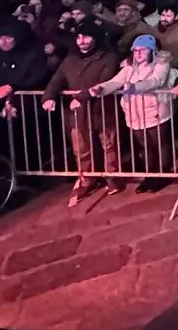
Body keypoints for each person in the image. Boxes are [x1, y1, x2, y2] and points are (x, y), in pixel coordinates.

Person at [41, 26, 123, 204]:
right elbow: (56, 80)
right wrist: (49, 97)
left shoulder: (108, 57)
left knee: (109, 146)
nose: (81, 41)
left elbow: (105, 80)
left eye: (86, 36)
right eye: (78, 37)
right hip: (77, 113)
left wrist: (81, 96)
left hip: (101, 109)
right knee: (81, 149)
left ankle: (113, 177)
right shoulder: (70, 60)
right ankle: (87, 179)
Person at [86, 34, 178, 193]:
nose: (138, 54)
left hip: (155, 108)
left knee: (159, 143)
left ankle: (164, 174)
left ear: (151, 51)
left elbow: (156, 81)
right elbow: (116, 81)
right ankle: (150, 175)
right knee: (144, 145)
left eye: (142, 50)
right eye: (136, 51)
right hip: (135, 112)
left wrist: (135, 87)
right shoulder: (129, 67)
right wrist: (101, 88)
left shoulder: (161, 63)